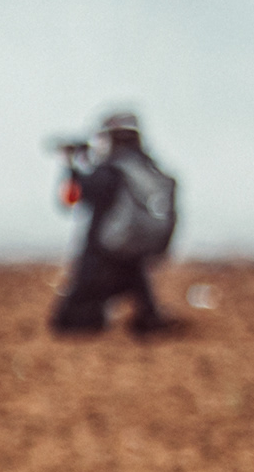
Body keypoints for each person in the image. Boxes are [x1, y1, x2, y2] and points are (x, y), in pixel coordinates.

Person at [48, 109, 179, 338]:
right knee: (131, 272)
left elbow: (71, 198)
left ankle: (112, 316)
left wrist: (71, 166)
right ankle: (147, 313)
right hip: (135, 262)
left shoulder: (110, 172)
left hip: (101, 261)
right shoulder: (147, 168)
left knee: (67, 322)